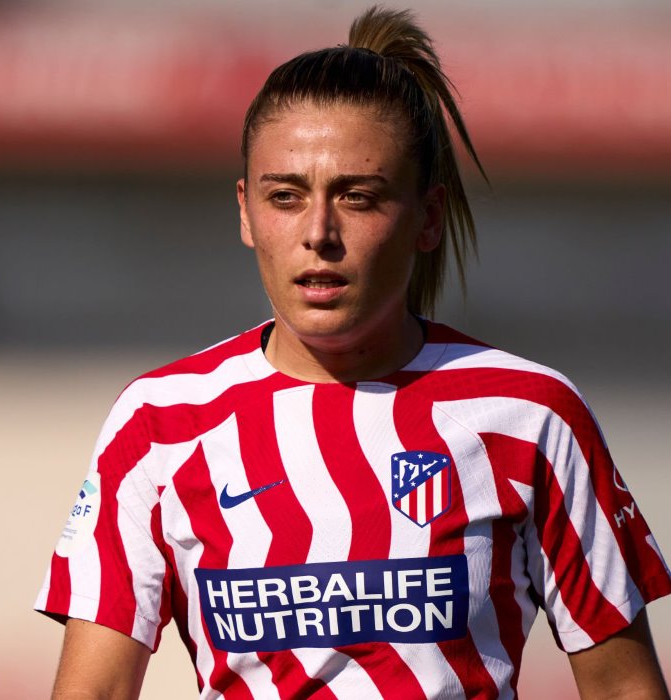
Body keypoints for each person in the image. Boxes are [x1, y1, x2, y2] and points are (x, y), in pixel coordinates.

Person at [36, 6, 671, 699]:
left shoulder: (530, 414)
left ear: (428, 216)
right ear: (246, 211)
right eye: (286, 196)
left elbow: (624, 689)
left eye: (358, 197)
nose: (319, 232)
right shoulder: (159, 423)